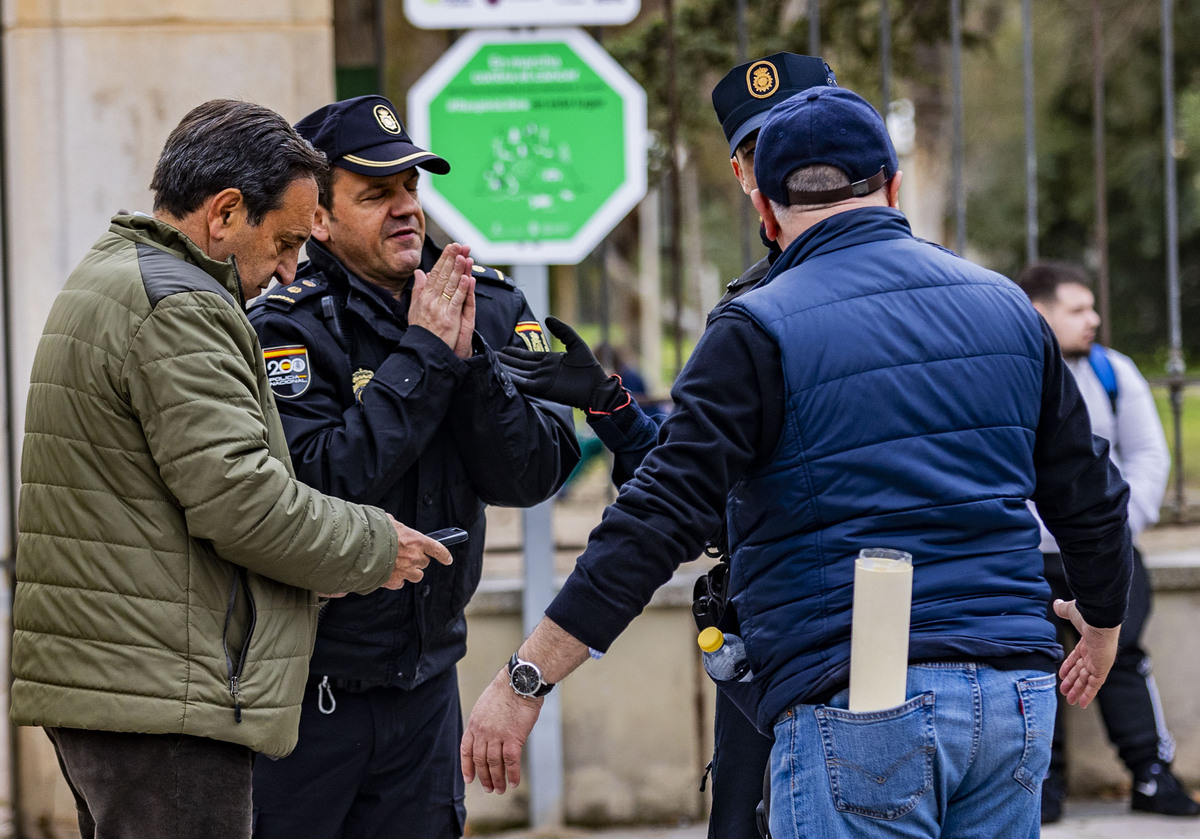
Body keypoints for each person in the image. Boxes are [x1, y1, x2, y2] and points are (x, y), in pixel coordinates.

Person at [462, 87, 1134, 839]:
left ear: (768, 214)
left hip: (856, 699)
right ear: (892, 186)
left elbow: (657, 519)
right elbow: (1092, 494)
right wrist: (1102, 623)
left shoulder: (757, 328)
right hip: (1013, 697)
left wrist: (527, 676)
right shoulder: (1009, 308)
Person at [9, 99, 454, 839]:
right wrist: (377, 546)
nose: (287, 270)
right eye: (283, 242)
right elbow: (240, 498)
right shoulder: (181, 304)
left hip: (120, 686)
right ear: (223, 215)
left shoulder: (115, 274)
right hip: (163, 700)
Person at [496, 52, 836, 839]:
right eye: (759, 152)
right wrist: (612, 405)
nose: (783, 166)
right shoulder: (747, 311)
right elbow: (699, 502)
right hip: (766, 645)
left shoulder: (901, 292)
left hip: (869, 647)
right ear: (745, 174)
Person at [246, 94, 580, 839]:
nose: (406, 209)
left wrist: (469, 366)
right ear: (321, 218)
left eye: (411, 188)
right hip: (304, 702)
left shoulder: (482, 304)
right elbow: (313, 490)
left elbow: (535, 473)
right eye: (376, 194)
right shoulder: (286, 326)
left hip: (425, 691)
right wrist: (424, 358)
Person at [1017, 260, 1200, 823]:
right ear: (1039, 312)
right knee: (1031, 665)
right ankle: (1042, 788)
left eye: (1091, 307)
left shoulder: (1114, 371)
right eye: (1077, 309)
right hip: (1025, 556)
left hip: (1105, 549)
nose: (1093, 318)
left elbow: (1148, 457)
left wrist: (1117, 528)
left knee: (1122, 657)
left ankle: (1150, 772)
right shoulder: (1011, 369)